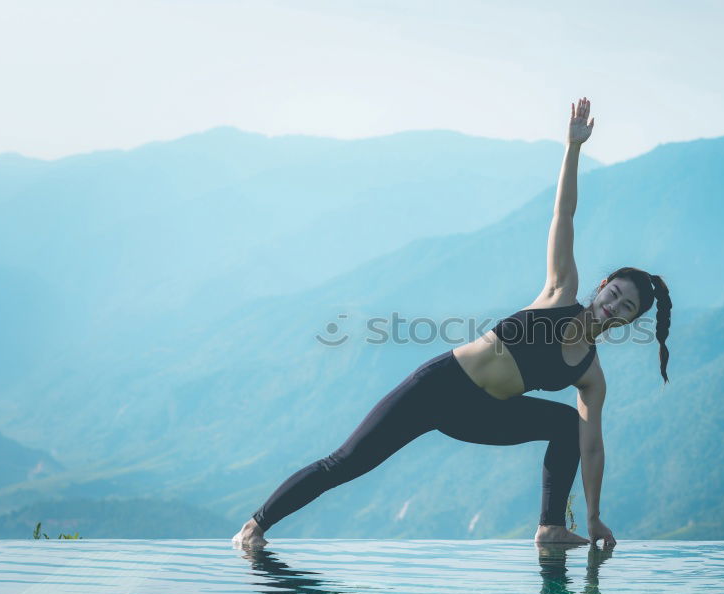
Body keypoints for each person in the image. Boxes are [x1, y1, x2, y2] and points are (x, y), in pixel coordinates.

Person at [232, 97, 672, 550]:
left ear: (628, 322)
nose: (612, 307)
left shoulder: (591, 375)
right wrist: (573, 148)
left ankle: (550, 526)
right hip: (438, 388)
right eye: (613, 294)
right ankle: (255, 526)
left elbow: (593, 447)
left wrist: (596, 517)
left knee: (569, 426)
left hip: (483, 416)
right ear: (600, 287)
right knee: (345, 463)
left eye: (625, 308)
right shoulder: (560, 292)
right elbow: (564, 216)